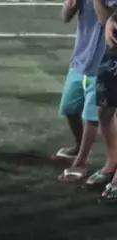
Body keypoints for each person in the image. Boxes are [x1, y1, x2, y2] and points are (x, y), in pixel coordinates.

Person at [55, 0, 106, 185]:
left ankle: (81, 162)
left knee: (90, 117)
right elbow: (65, 17)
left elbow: (105, 18)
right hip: (80, 60)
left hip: (103, 65)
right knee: (69, 108)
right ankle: (78, 146)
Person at [93, 2, 117, 200]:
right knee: (104, 110)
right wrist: (112, 19)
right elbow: (103, 18)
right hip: (113, 53)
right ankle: (112, 161)